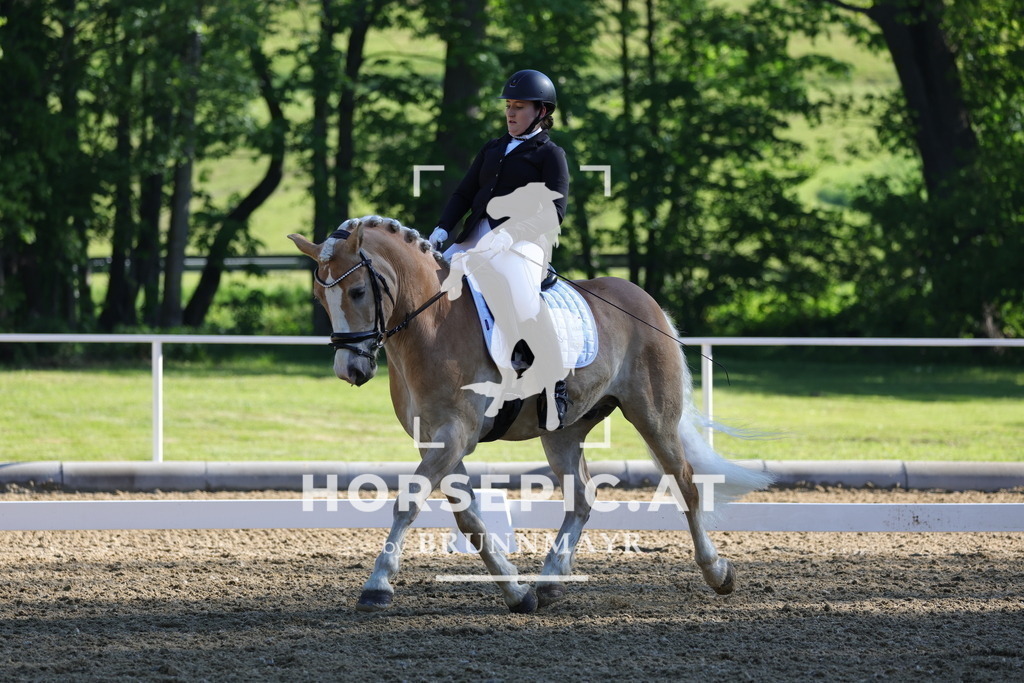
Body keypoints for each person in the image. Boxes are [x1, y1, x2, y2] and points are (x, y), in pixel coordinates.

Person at [430, 69, 572, 430]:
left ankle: (554, 381)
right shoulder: (493, 148)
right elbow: (464, 193)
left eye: (519, 107)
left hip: (523, 244)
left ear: (541, 112)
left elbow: (554, 213)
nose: (510, 113)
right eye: (508, 106)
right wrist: (443, 228)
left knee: (524, 299)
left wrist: (513, 235)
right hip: (474, 238)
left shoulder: (550, 154)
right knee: (431, 285)